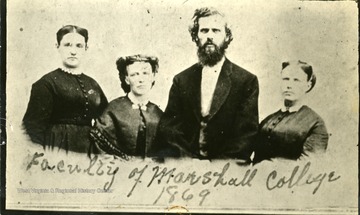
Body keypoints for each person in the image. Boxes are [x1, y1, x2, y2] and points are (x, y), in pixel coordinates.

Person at [156, 7, 259, 162]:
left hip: (227, 170)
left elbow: (245, 135)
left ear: (227, 36)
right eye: (204, 31)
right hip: (188, 168)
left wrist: (214, 167)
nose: (209, 36)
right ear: (196, 36)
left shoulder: (246, 80)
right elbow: (170, 128)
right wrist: (189, 162)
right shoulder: (181, 80)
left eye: (216, 31)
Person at [23, 25, 108, 154]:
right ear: (57, 47)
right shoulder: (46, 83)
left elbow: (107, 121)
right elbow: (32, 128)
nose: (73, 51)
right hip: (57, 148)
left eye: (79, 46)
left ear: (86, 48)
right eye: (67, 45)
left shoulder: (93, 84)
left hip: (89, 150)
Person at [253, 60, 329, 163]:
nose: (289, 85)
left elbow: (309, 167)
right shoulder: (268, 119)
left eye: (296, 80)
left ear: (308, 85)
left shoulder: (316, 124)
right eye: (286, 79)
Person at [90, 55, 163, 159]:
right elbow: (100, 149)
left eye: (145, 73)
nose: (140, 79)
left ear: (153, 77)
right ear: (127, 79)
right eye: (134, 75)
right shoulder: (113, 110)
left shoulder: (158, 113)